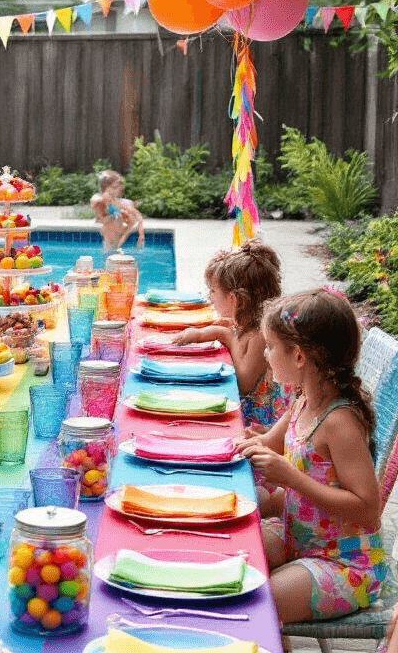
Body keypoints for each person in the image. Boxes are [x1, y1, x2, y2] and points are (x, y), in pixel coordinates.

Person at [237, 289, 388, 625]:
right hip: (299, 536)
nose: (266, 353)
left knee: (259, 602)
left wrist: (293, 479)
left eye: (271, 346)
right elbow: (269, 444)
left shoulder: (340, 422)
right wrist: (241, 443)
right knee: (233, 559)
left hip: (346, 562)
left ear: (300, 356)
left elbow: (367, 509)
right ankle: (282, 648)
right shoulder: (304, 399)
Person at [174, 241, 292, 430]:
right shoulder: (243, 324)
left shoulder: (260, 336)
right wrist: (203, 333)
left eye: (213, 291)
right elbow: (224, 331)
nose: (209, 296)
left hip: (258, 426)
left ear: (235, 299)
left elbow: (243, 384)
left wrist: (226, 336)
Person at [90, 170, 145, 251]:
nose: (118, 189)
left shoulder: (113, 199)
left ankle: (117, 246)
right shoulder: (99, 199)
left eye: (118, 186)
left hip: (113, 234)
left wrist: (141, 235)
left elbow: (136, 214)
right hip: (109, 232)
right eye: (115, 187)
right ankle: (115, 248)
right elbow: (101, 217)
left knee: (128, 218)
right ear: (106, 188)